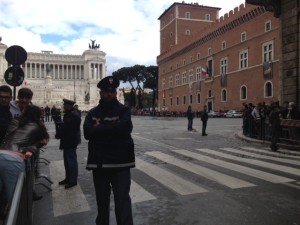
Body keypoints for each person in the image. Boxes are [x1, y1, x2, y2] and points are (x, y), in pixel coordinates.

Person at [83, 76, 135, 225]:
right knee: (102, 202)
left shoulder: (124, 110)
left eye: (112, 91)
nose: (109, 94)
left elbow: (125, 129)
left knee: (123, 201)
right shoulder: (92, 112)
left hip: (121, 163)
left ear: (116, 93)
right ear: (100, 93)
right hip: (100, 164)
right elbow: (87, 133)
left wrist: (100, 128)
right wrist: (113, 127)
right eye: (106, 91)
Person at [1, 105, 49, 201]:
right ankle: (15, 215)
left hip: (1, 152)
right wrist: (33, 146)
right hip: (13, 158)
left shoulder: (16, 122)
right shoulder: (37, 126)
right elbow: (44, 141)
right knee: (15, 193)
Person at [55, 99, 81, 189]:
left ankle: (73, 180)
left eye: (65, 105)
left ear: (70, 105)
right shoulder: (70, 114)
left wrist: (59, 133)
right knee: (67, 161)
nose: (64, 106)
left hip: (71, 140)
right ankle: (68, 178)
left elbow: (67, 128)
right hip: (67, 140)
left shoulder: (73, 115)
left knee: (71, 161)